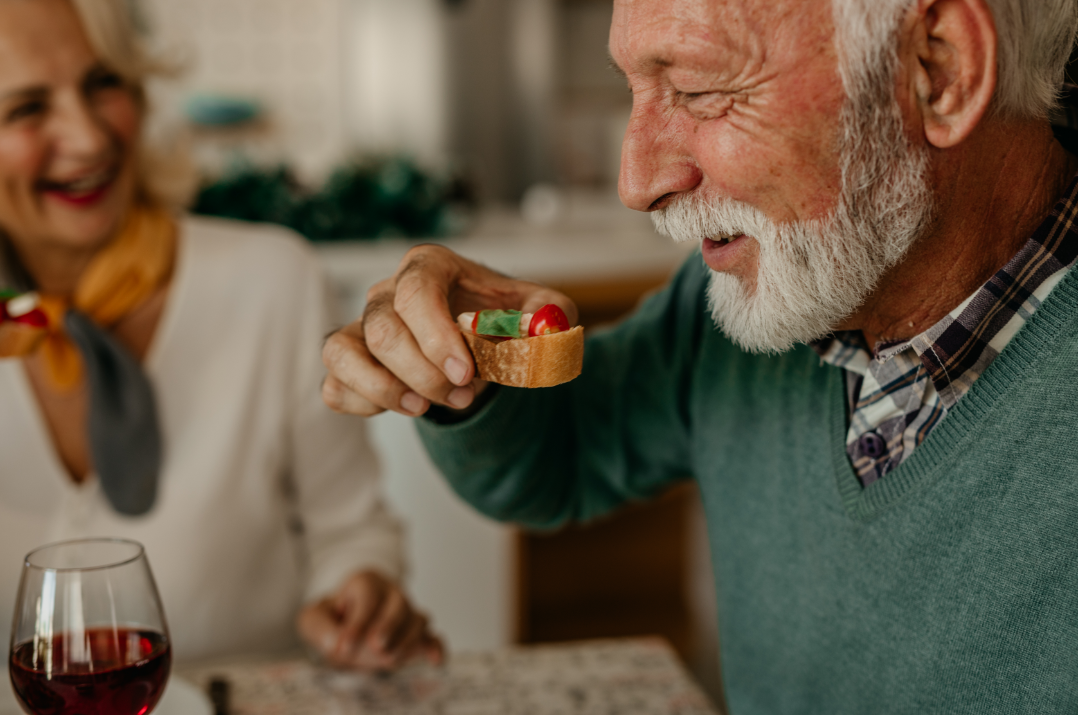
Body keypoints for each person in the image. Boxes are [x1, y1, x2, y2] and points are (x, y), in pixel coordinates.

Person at [323, 0, 1078, 711]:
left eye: (696, 89)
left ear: (938, 70)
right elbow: (564, 451)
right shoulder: (765, 290)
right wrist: (473, 364)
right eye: (635, 89)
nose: (637, 182)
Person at [0, 0, 442, 699]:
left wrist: (360, 592)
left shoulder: (271, 281)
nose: (87, 138)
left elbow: (351, 531)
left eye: (102, 84)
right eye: (26, 108)